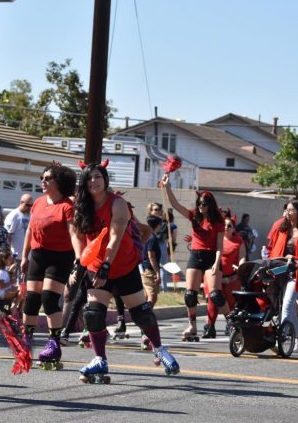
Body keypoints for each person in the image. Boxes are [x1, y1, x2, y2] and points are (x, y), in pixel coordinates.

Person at [73, 161, 179, 382]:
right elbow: (80, 238)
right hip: (96, 266)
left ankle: (160, 349)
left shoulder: (117, 203)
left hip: (122, 265)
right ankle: (100, 359)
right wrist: (79, 265)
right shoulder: (81, 206)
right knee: (93, 313)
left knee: (141, 313)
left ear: (105, 180)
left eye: (98, 177)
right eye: (89, 178)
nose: (93, 181)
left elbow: (115, 237)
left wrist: (106, 265)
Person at [20, 164, 76, 368]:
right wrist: (25, 256)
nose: (43, 181)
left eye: (48, 178)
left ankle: (54, 342)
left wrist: (79, 259)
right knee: (32, 299)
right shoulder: (38, 202)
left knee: (49, 298)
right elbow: (29, 230)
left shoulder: (67, 206)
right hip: (37, 254)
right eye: (42, 177)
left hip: (60, 256)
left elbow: (74, 235)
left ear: (59, 182)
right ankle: (27, 340)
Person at [162, 177, 228, 341]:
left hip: (212, 256)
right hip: (196, 255)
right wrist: (168, 187)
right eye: (199, 204)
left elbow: (220, 245)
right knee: (190, 294)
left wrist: (216, 263)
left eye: (204, 204)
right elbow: (176, 205)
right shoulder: (193, 215)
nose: (200, 207)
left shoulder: (218, 222)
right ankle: (192, 325)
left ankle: (232, 321)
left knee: (215, 295)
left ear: (210, 205)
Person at [267, 199, 298, 353]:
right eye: (286, 210)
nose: (287, 213)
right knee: (290, 309)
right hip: (279, 271)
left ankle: (280, 338)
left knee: (288, 304)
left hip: (297, 272)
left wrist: (295, 259)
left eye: (291, 210)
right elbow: (271, 249)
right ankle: (297, 339)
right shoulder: (281, 229)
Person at [219, 215, 246, 336]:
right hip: (217, 276)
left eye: (229, 225)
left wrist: (240, 268)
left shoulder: (239, 241)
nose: (226, 227)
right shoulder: (217, 239)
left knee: (232, 303)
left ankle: (232, 326)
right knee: (215, 300)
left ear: (234, 229)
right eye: (224, 225)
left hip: (232, 277)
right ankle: (209, 326)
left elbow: (242, 257)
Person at [5, 194, 32, 261]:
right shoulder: (14, 215)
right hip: (15, 256)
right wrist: (9, 253)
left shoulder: (30, 216)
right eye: (28, 205)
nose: (30, 207)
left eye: (31, 205)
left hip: (28, 256)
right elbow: (8, 235)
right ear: (21, 202)